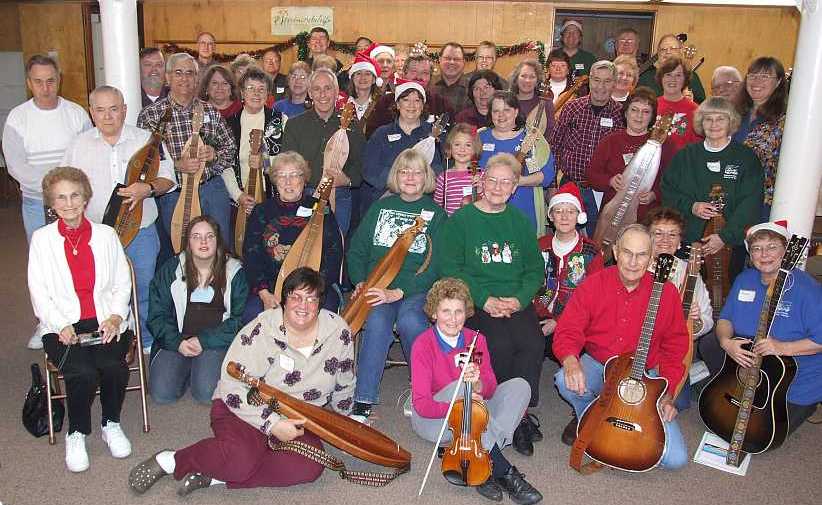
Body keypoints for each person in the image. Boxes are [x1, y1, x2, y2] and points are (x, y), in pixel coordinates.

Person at [128, 267, 355, 495]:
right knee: (240, 458)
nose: (303, 306)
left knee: (309, 466)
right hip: (243, 406)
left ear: (320, 303)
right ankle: (172, 461)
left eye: (311, 299)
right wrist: (273, 425)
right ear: (284, 300)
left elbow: (344, 381)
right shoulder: (261, 330)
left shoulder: (337, 332)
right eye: (295, 297)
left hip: (299, 417)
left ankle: (217, 475)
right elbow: (232, 387)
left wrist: (347, 426)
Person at [552, 224, 689, 469]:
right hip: (599, 363)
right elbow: (568, 329)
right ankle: (591, 417)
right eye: (627, 252)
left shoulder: (666, 293)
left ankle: (616, 423)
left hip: (644, 373)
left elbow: (675, 347)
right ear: (615, 251)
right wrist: (571, 360)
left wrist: (668, 394)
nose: (634, 262)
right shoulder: (594, 284)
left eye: (642, 255)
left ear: (651, 257)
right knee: (564, 379)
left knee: (675, 460)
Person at [438, 153, 545, 457]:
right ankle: (503, 414)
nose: (498, 187)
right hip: (476, 300)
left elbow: (534, 269)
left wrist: (520, 299)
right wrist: (485, 300)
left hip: (514, 299)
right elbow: (451, 267)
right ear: (481, 182)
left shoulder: (520, 222)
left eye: (506, 182)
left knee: (531, 343)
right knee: (496, 343)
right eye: (493, 180)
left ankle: (521, 415)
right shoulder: (461, 220)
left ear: (514, 188)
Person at [28, 167, 133, 472]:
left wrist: (115, 316)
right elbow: (39, 292)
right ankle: (77, 432)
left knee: (114, 366)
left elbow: (120, 282)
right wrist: (61, 324)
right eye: (61, 197)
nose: (69, 203)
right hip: (60, 325)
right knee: (83, 373)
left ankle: (110, 423)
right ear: (51, 202)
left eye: (75, 195)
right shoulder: (42, 240)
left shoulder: (106, 235)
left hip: (104, 320)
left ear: (86, 198)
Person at [61, 85, 176, 354]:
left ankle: (146, 341)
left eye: (114, 109)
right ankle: (109, 342)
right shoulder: (78, 145)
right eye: (100, 110)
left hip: (141, 231)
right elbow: (65, 184)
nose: (107, 116)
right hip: (95, 235)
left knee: (143, 287)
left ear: (124, 110)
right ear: (91, 113)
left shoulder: (147, 140)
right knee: (100, 289)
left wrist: (147, 189)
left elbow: (169, 178)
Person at [410, 278, 542, 505]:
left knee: (520, 386)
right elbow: (422, 405)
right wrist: (464, 403)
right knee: (462, 386)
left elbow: (490, 387)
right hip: (436, 420)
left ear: (466, 313)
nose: (453, 319)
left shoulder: (476, 339)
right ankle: (503, 470)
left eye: (458, 311)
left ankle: (477, 454)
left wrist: (479, 383)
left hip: (478, 413)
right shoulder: (423, 344)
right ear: (434, 313)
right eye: (446, 311)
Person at [347, 149, 447, 423]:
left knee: (411, 322)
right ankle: (364, 399)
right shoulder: (380, 207)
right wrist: (360, 282)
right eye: (404, 171)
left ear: (427, 177)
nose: (411, 177)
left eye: (417, 172)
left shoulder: (436, 215)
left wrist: (398, 291)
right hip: (377, 287)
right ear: (396, 176)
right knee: (377, 321)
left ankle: (423, 390)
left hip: (416, 289)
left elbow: (436, 265)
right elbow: (357, 250)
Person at [3, 54, 92, 349]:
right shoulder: (18, 118)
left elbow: (84, 155)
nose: (45, 87)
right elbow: (16, 166)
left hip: (75, 202)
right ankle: (46, 323)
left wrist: (69, 195)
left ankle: (81, 316)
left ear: (59, 80)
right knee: (44, 263)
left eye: (50, 80)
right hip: (36, 202)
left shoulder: (76, 113)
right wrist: (53, 195)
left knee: (78, 258)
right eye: (38, 82)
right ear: (30, 83)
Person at [715, 220, 822, 433]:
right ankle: (726, 382)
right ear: (750, 254)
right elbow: (725, 320)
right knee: (711, 343)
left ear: (786, 250)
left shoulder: (807, 289)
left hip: (794, 378)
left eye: (772, 247)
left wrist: (783, 348)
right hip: (754, 366)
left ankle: (808, 406)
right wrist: (726, 343)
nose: (764, 254)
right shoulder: (745, 279)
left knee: (761, 433)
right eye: (757, 248)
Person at [137, 52, 237, 249]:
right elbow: (145, 163)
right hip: (173, 193)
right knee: (181, 251)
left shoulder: (209, 111)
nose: (185, 78)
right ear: (167, 77)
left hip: (211, 190)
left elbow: (230, 148)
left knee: (220, 249)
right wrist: (175, 166)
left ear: (197, 78)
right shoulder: (150, 115)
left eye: (190, 73)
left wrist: (214, 155)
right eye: (179, 73)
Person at [661, 96, 763, 280]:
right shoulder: (685, 156)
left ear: (731, 122)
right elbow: (667, 191)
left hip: (730, 245)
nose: (714, 124)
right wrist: (691, 206)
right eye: (708, 118)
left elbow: (751, 204)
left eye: (720, 119)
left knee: (724, 295)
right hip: (688, 241)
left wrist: (724, 237)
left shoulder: (746, 158)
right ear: (701, 122)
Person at [148, 215, 247, 404]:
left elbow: (239, 320)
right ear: (188, 242)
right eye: (196, 236)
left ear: (218, 241)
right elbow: (156, 315)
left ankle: (199, 368)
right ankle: (186, 367)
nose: (203, 242)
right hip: (177, 338)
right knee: (162, 395)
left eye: (209, 236)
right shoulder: (171, 269)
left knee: (206, 393)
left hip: (215, 341)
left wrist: (204, 341)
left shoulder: (234, 271)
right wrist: (177, 342)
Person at [242, 152, 343, 321]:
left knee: (326, 316)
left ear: (304, 180)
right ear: (274, 180)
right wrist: (265, 294)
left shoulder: (320, 209)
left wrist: (311, 291)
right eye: (281, 176)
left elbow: (333, 253)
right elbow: (251, 255)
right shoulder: (261, 211)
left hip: (313, 286)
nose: (288, 182)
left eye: (294, 175)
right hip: (271, 285)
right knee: (252, 315)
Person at [281, 68, 365, 237]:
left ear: (336, 92)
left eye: (328, 88)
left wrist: (347, 181)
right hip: (304, 194)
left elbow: (362, 165)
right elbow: (288, 164)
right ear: (310, 93)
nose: (323, 94)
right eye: (317, 89)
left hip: (340, 196)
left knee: (336, 248)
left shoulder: (352, 125)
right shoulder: (295, 125)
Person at [645, 207, 713, 410]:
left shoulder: (688, 272)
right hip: (638, 347)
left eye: (672, 234)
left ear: (680, 241)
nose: (665, 239)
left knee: (679, 402)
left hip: (672, 352)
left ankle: (689, 370)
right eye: (658, 233)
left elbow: (707, 320)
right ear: (647, 237)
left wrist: (696, 320)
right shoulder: (635, 265)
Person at [550, 60, 625, 236]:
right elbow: (554, 147)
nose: (601, 86)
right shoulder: (571, 108)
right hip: (571, 185)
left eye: (607, 81)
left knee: (596, 238)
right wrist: (552, 185)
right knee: (566, 236)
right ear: (589, 80)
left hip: (603, 191)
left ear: (614, 83)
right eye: (597, 80)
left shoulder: (621, 114)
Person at [586, 86, 675, 222]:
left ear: (652, 116)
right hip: (612, 217)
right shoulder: (610, 141)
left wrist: (655, 194)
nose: (639, 116)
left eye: (646, 112)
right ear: (626, 112)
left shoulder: (664, 145)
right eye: (634, 110)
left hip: (649, 217)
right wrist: (610, 181)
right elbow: (592, 175)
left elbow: (672, 182)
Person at [533, 182, 604, 346]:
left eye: (571, 211)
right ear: (551, 216)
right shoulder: (540, 245)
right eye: (558, 211)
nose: (564, 217)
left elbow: (593, 297)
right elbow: (529, 280)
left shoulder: (591, 251)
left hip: (574, 319)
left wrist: (558, 321)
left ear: (579, 216)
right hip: (538, 312)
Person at [361, 79, 444, 217]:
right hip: (386, 201)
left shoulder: (434, 135)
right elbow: (369, 170)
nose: (412, 105)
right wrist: (398, 183)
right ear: (397, 105)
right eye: (406, 100)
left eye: (417, 100)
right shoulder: (381, 134)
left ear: (423, 105)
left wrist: (415, 185)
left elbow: (438, 169)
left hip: (422, 203)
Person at [478, 91, 555, 232]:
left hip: (524, 208)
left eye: (506, 110)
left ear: (516, 112)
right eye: (496, 111)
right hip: (486, 211)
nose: (501, 115)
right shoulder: (480, 137)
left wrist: (518, 181)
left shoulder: (532, 138)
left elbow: (548, 175)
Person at [733, 57, 789, 218]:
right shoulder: (734, 113)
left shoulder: (785, 120)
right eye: (752, 75)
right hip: (732, 197)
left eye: (765, 76)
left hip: (764, 202)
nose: (756, 81)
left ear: (778, 82)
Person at [365, 52, 455, 138]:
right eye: (414, 71)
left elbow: (451, 139)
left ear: (430, 77)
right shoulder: (386, 102)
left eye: (425, 73)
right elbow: (372, 135)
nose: (419, 77)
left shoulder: (441, 104)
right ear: (403, 74)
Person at [637, 34, 706, 103]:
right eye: (663, 49)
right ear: (658, 54)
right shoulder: (645, 78)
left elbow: (702, 107)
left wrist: (691, 101)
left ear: (681, 51)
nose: (668, 52)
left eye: (673, 48)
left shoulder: (692, 77)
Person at [655, 56, 702, 153]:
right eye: (668, 74)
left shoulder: (695, 111)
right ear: (661, 77)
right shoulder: (651, 106)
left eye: (678, 75)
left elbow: (698, 148)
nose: (673, 79)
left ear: (685, 79)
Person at [434, 123, 481, 215]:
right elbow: (437, 206)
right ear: (450, 148)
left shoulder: (481, 175)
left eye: (468, 145)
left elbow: (489, 204)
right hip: (451, 225)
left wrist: (481, 191)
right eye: (457, 144)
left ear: (475, 149)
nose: (462, 149)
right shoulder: (444, 178)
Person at [509, 58, 554, 134]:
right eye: (523, 76)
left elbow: (550, 134)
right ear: (516, 78)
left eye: (532, 77)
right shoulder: (507, 102)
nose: (527, 80)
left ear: (537, 81)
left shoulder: (546, 104)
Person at [433, 42, 470, 112]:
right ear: (440, 60)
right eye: (447, 58)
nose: (452, 62)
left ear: (464, 62)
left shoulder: (473, 89)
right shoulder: (429, 85)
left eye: (457, 59)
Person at [346, 52, 382, 123]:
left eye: (367, 74)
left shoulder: (381, 104)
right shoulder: (342, 103)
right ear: (352, 78)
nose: (363, 77)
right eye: (358, 73)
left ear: (374, 80)